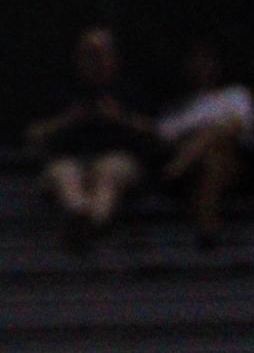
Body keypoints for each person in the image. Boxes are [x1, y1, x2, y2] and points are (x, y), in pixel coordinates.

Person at [26, 27, 156, 252]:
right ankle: (81, 217)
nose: (95, 61)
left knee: (110, 171)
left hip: (117, 160)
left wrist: (120, 118)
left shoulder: (129, 90)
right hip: (70, 160)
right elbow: (33, 134)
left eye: (101, 53)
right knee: (65, 174)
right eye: (89, 54)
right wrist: (67, 120)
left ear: (114, 57)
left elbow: (156, 132)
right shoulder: (63, 90)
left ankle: (89, 224)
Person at [158, 44, 254, 249]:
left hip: (238, 161)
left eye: (205, 63)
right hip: (198, 168)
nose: (201, 69)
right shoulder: (182, 105)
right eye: (196, 64)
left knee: (216, 140)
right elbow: (166, 135)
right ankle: (208, 231)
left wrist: (206, 136)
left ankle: (180, 172)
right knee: (210, 161)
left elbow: (241, 125)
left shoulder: (236, 94)